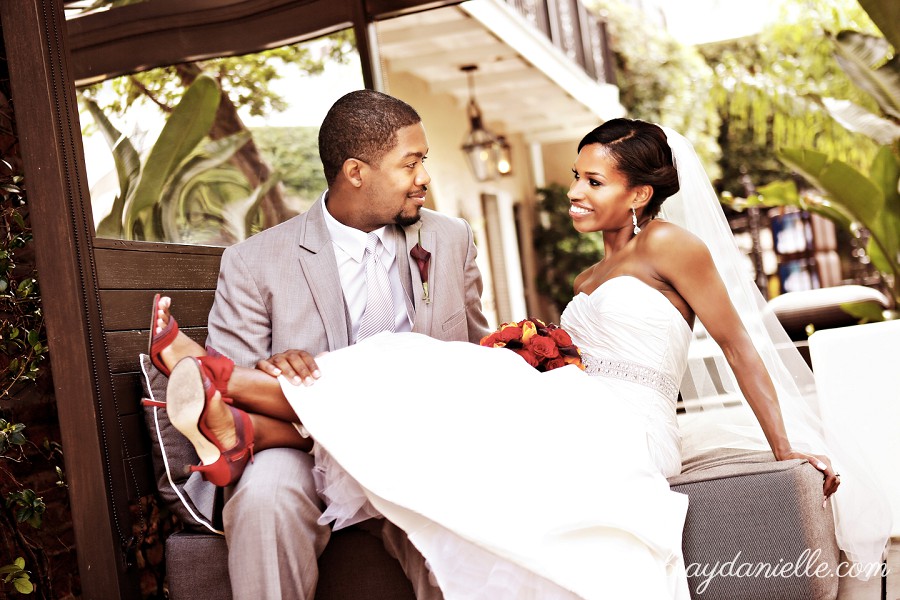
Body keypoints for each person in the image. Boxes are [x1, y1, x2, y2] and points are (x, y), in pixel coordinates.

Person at [152, 118, 888, 598]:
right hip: (581, 410)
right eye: (576, 176)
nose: (574, 192)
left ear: (639, 192)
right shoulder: (592, 273)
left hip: (625, 430)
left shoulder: (671, 247)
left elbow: (743, 348)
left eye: (592, 182)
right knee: (431, 371)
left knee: (424, 366)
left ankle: (231, 391)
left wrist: (789, 446)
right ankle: (247, 421)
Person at [154, 89, 490, 600]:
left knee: (463, 518)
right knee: (265, 496)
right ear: (356, 172)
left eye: (424, 162)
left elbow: (474, 347)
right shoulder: (254, 261)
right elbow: (241, 379)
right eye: (411, 163)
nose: (425, 178)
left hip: (424, 442)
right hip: (301, 446)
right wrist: (269, 367)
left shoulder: (450, 239)